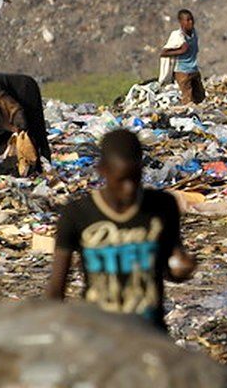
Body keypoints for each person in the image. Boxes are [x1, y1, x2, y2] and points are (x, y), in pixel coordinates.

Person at [45, 129, 196, 332]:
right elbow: (56, 288)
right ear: (102, 170)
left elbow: (170, 268)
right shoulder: (78, 214)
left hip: (149, 332)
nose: (129, 188)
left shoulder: (162, 207)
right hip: (99, 333)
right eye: (122, 179)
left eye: (135, 178)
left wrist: (183, 269)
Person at [159, 9, 205, 105]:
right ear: (181, 22)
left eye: (191, 19)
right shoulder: (178, 36)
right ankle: (188, 118)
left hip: (193, 69)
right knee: (188, 99)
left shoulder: (193, 33)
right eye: (187, 20)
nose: (191, 22)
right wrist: (181, 50)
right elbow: (163, 53)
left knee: (200, 97)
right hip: (182, 72)